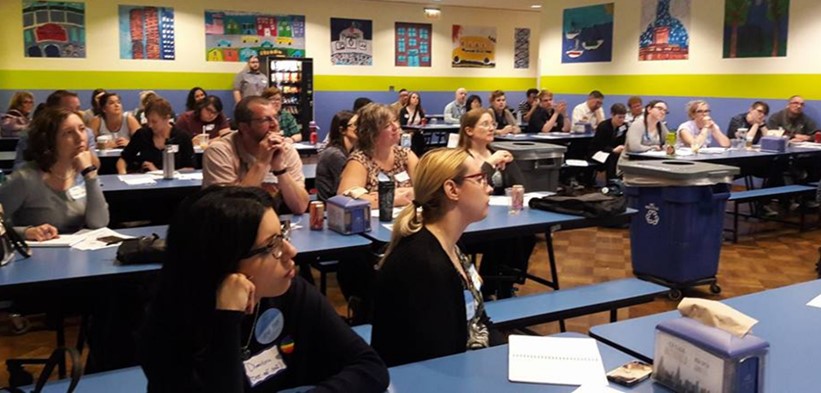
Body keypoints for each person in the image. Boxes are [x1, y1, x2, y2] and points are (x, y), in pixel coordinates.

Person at [138, 186, 389, 393]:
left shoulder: (290, 292)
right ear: (226, 261)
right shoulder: (168, 325)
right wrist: (226, 320)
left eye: (283, 235)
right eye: (272, 246)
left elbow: (370, 367)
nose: (291, 252)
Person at [372, 148, 502, 366]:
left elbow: (479, 319)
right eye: (480, 179)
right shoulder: (423, 265)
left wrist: (505, 355)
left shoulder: (452, 247)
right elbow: (439, 359)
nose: (489, 187)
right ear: (452, 189)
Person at [457, 109, 533, 299]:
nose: (491, 128)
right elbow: (472, 188)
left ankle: (508, 281)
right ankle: (490, 286)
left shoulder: (497, 153)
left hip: (498, 215)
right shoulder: (462, 158)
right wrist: (489, 165)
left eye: (492, 124)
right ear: (469, 130)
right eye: (485, 124)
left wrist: (511, 163)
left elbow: (520, 186)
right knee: (500, 238)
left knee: (527, 234)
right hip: (470, 219)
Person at [0, 107, 108, 240]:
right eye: (68, 133)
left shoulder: (82, 173)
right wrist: (25, 232)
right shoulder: (25, 178)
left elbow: (99, 223)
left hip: (78, 254)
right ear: (49, 141)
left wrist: (90, 175)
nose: (80, 138)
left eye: (82, 129)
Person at [202, 96, 309, 215]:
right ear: (244, 127)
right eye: (265, 120)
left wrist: (280, 169)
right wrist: (262, 163)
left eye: (275, 117)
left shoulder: (285, 149)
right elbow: (231, 211)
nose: (274, 124)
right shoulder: (219, 151)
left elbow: (300, 207)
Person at [337, 103, 419, 208]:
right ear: (372, 134)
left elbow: (427, 189)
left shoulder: (405, 155)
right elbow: (345, 198)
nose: (395, 127)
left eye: (394, 121)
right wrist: (392, 199)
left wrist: (410, 191)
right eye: (387, 125)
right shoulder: (360, 160)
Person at [15, 90, 100, 169]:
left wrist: (83, 147)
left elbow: (95, 166)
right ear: (52, 111)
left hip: (80, 183)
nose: (76, 114)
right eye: (68, 110)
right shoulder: (32, 134)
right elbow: (19, 167)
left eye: (77, 109)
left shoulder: (86, 133)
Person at [117, 98, 195, 174]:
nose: (150, 125)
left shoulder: (182, 137)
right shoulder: (142, 134)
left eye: (154, 121)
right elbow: (123, 159)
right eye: (148, 120)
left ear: (167, 118)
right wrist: (123, 174)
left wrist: (158, 172)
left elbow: (190, 168)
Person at [316, 111, 357, 201]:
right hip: (332, 207)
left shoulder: (349, 152)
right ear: (342, 130)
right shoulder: (335, 155)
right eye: (355, 125)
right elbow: (347, 190)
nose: (360, 128)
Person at [590, 103, 629, 179]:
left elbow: (623, 141)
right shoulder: (603, 126)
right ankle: (611, 181)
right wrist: (612, 150)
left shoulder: (624, 127)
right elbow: (599, 145)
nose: (622, 120)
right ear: (612, 115)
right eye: (619, 117)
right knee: (612, 157)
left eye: (623, 117)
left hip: (616, 151)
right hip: (598, 152)